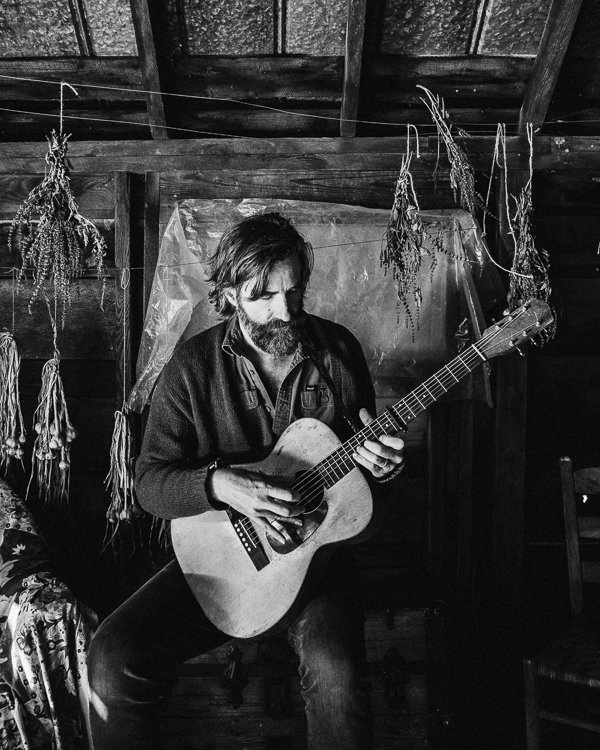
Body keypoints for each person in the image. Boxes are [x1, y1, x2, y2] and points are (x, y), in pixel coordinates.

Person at [87, 212, 405, 749]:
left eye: (294, 291)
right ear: (231, 294)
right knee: (112, 656)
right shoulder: (191, 367)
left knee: (338, 678)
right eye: (264, 296)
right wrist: (221, 484)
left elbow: (362, 482)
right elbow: (148, 484)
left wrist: (383, 468)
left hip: (318, 568)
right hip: (223, 561)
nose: (285, 311)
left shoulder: (338, 351)